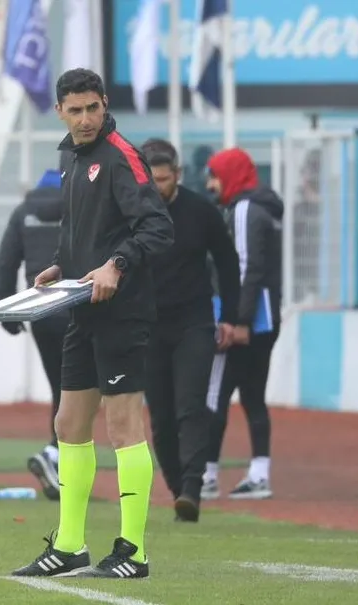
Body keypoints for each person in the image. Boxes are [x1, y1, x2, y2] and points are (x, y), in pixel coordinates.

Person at [11, 69, 173, 579]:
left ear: (105, 104)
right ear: (59, 111)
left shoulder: (121, 156)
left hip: (122, 312)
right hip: (83, 307)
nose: (85, 119)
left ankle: (134, 552)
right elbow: (82, 231)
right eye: (75, 110)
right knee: (67, 424)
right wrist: (61, 267)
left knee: (123, 427)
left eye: (93, 108)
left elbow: (157, 227)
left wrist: (117, 265)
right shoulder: (72, 158)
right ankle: (70, 546)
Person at [138, 138, 240, 522]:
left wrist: (230, 317)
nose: (157, 187)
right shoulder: (131, 213)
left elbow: (228, 262)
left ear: (178, 175)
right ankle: (178, 488)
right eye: (151, 180)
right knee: (161, 419)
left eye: (164, 179)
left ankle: (193, 489)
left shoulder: (201, 212)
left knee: (191, 406)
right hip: (148, 326)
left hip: (194, 322)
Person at [201, 148, 283, 500]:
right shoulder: (263, 208)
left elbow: (246, 267)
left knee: (215, 393)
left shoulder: (245, 209)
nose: (210, 185)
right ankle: (259, 474)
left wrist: (236, 319)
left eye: (214, 176)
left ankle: (206, 475)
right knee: (253, 396)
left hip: (244, 319)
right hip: (265, 318)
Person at [0, 168, 68, 501]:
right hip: (77, 309)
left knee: (60, 387)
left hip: (41, 313)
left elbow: (6, 263)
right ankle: (55, 453)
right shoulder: (78, 208)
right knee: (81, 390)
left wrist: (8, 312)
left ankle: (58, 458)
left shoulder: (24, 212)